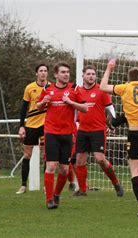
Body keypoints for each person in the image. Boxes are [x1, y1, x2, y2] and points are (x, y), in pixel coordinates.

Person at [100, 59, 138, 217]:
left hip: (134, 134)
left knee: (135, 170)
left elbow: (103, 87)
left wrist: (109, 68)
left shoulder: (124, 87)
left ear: (129, 79)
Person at [36, 62, 88, 209]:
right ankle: (49, 200)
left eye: (67, 72)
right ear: (56, 75)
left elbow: (84, 108)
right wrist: (43, 103)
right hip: (51, 132)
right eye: (63, 72)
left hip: (67, 134)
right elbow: (38, 106)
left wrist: (70, 102)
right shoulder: (48, 88)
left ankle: (57, 194)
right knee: (51, 166)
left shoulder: (74, 89)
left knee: (65, 169)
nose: (66, 74)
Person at [74, 65, 124, 197]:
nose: (91, 76)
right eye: (88, 74)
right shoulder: (77, 91)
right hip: (82, 130)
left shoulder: (101, 90)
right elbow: (74, 109)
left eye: (93, 74)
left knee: (100, 159)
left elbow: (110, 109)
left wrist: (111, 122)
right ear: (83, 76)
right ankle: (82, 190)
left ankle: (116, 183)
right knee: (79, 160)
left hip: (98, 130)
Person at [16, 63, 50, 194]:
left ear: (47, 73)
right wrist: (21, 126)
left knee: (47, 156)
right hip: (31, 125)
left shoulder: (51, 87)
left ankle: (46, 186)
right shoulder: (30, 88)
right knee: (27, 155)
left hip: (46, 126)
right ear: (36, 73)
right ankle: (23, 185)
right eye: (41, 71)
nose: (43, 73)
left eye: (45, 71)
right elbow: (23, 108)